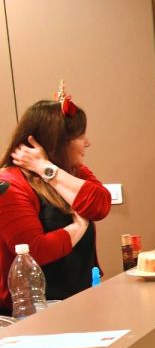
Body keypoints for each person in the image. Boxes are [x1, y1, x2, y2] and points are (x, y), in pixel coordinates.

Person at [0, 92, 111, 313]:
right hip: (34, 314)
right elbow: (33, 251)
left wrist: (45, 168)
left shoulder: (71, 171)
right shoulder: (10, 184)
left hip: (80, 300)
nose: (87, 143)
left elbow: (100, 206)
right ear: (58, 142)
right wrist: (78, 227)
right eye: (80, 136)